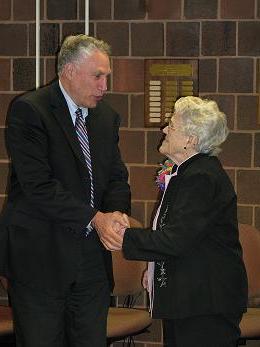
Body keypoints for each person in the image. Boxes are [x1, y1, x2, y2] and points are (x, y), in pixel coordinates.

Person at [0, 34, 130, 347]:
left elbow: (116, 176)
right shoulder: (30, 111)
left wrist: (115, 215)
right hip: (40, 258)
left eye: (106, 77)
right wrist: (95, 218)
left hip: (90, 260)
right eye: (97, 76)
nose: (104, 87)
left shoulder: (106, 117)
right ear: (69, 71)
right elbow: (39, 186)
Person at [116, 96, 248, 346]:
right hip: (191, 296)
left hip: (206, 301)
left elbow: (176, 239)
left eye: (172, 126)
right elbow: (184, 236)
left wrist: (122, 236)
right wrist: (154, 270)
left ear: (191, 139)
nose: (164, 129)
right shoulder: (188, 172)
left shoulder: (201, 177)